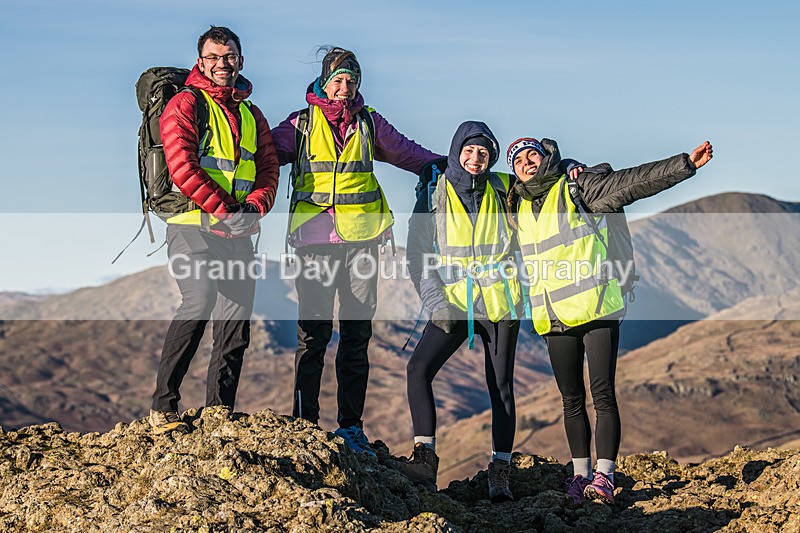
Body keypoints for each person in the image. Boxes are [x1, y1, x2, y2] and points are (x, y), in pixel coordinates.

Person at [506, 136, 713, 505]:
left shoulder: (577, 187)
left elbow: (632, 183)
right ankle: (580, 475)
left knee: (603, 396)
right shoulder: (515, 207)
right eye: (518, 160)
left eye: (532, 154)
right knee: (571, 400)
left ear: (546, 157)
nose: (526, 162)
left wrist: (685, 165)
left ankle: (604, 477)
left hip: (598, 307)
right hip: (553, 317)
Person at [270, 47, 442, 455]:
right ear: (323, 83)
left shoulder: (369, 123)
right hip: (313, 244)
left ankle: (350, 427)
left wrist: (456, 166)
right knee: (312, 336)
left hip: (363, 242)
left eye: (351, 81)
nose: (345, 88)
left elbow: (410, 154)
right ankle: (305, 423)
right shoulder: (299, 124)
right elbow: (262, 156)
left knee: (356, 337)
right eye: (338, 80)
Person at [149, 26, 280, 434]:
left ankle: (218, 412)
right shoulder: (186, 104)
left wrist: (257, 205)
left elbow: (268, 168)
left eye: (230, 57)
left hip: (239, 231)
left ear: (240, 60)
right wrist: (226, 211)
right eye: (214, 58)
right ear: (201, 60)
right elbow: (182, 167)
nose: (222, 64)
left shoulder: (251, 112)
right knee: (199, 299)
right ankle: (163, 408)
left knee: (235, 324)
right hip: (193, 226)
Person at [403, 121, 521, 502]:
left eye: (484, 153)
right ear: (457, 151)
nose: (476, 159)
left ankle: (500, 471)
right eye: (469, 151)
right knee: (418, 368)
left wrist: (570, 165)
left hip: (500, 302)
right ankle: (424, 458)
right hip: (452, 299)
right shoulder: (434, 190)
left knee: (500, 386)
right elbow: (417, 252)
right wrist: (434, 299)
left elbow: (543, 179)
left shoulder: (504, 188)